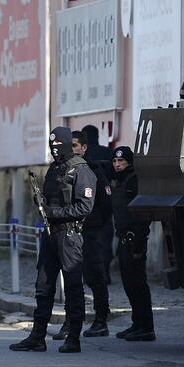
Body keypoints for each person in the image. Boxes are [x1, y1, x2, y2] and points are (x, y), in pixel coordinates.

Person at [9, 127, 96, 354]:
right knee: (43, 285)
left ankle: (73, 337)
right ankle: (38, 336)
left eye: (59, 146)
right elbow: (49, 200)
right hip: (51, 235)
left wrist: (52, 213)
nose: (55, 151)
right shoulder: (55, 168)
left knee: (73, 288)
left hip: (69, 235)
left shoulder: (81, 170)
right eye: (52, 147)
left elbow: (85, 207)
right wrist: (41, 203)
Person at [49, 130, 112, 339]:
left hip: (91, 231)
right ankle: (71, 322)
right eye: (71, 145)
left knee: (95, 276)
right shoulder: (63, 169)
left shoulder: (91, 170)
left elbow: (105, 204)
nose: (72, 149)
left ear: (84, 148)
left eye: (75, 146)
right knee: (72, 280)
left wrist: (95, 227)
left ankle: (101, 320)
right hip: (69, 231)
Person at [110, 147, 155, 341]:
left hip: (134, 239)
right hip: (123, 238)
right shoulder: (119, 181)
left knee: (138, 284)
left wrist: (138, 242)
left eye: (121, 162)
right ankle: (137, 324)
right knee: (129, 283)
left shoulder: (134, 180)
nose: (118, 164)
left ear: (129, 162)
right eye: (115, 162)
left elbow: (143, 214)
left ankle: (146, 327)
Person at [81, 124, 115, 282]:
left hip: (86, 204)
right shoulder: (106, 152)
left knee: (88, 242)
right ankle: (105, 273)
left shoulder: (82, 155)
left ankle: (89, 274)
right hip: (104, 201)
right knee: (105, 240)